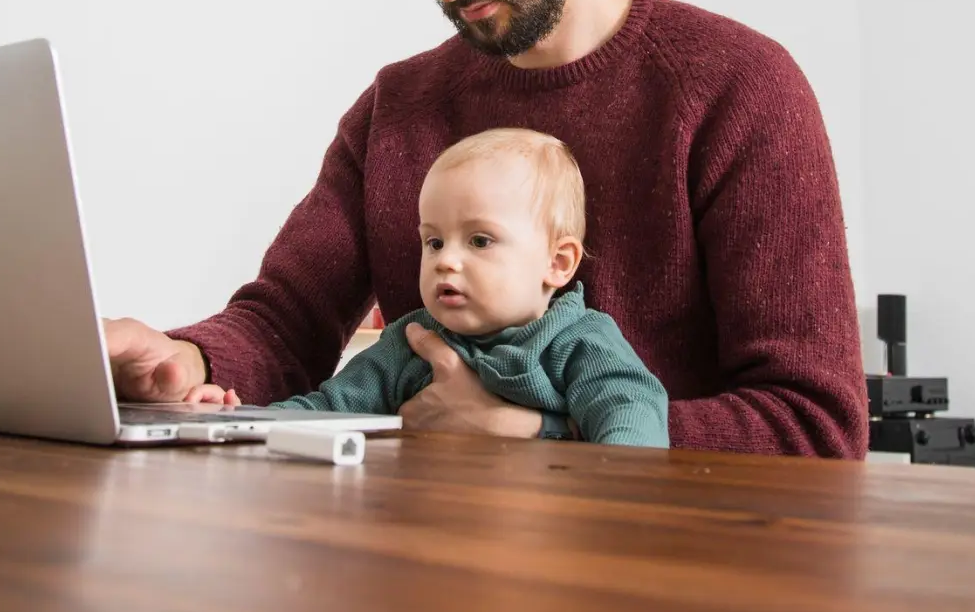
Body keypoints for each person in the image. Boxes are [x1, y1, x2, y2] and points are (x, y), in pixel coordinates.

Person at [103, 0, 869, 457]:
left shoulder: (737, 86)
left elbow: (816, 426)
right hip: (432, 562)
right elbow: (286, 319)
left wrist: (541, 433)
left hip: (664, 570)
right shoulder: (395, 107)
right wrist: (185, 360)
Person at [260, 128, 669, 448]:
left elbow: (631, 418)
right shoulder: (409, 344)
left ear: (557, 263)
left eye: (479, 241)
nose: (445, 260)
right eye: (434, 242)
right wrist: (231, 422)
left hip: (544, 533)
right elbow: (327, 409)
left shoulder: (581, 342)